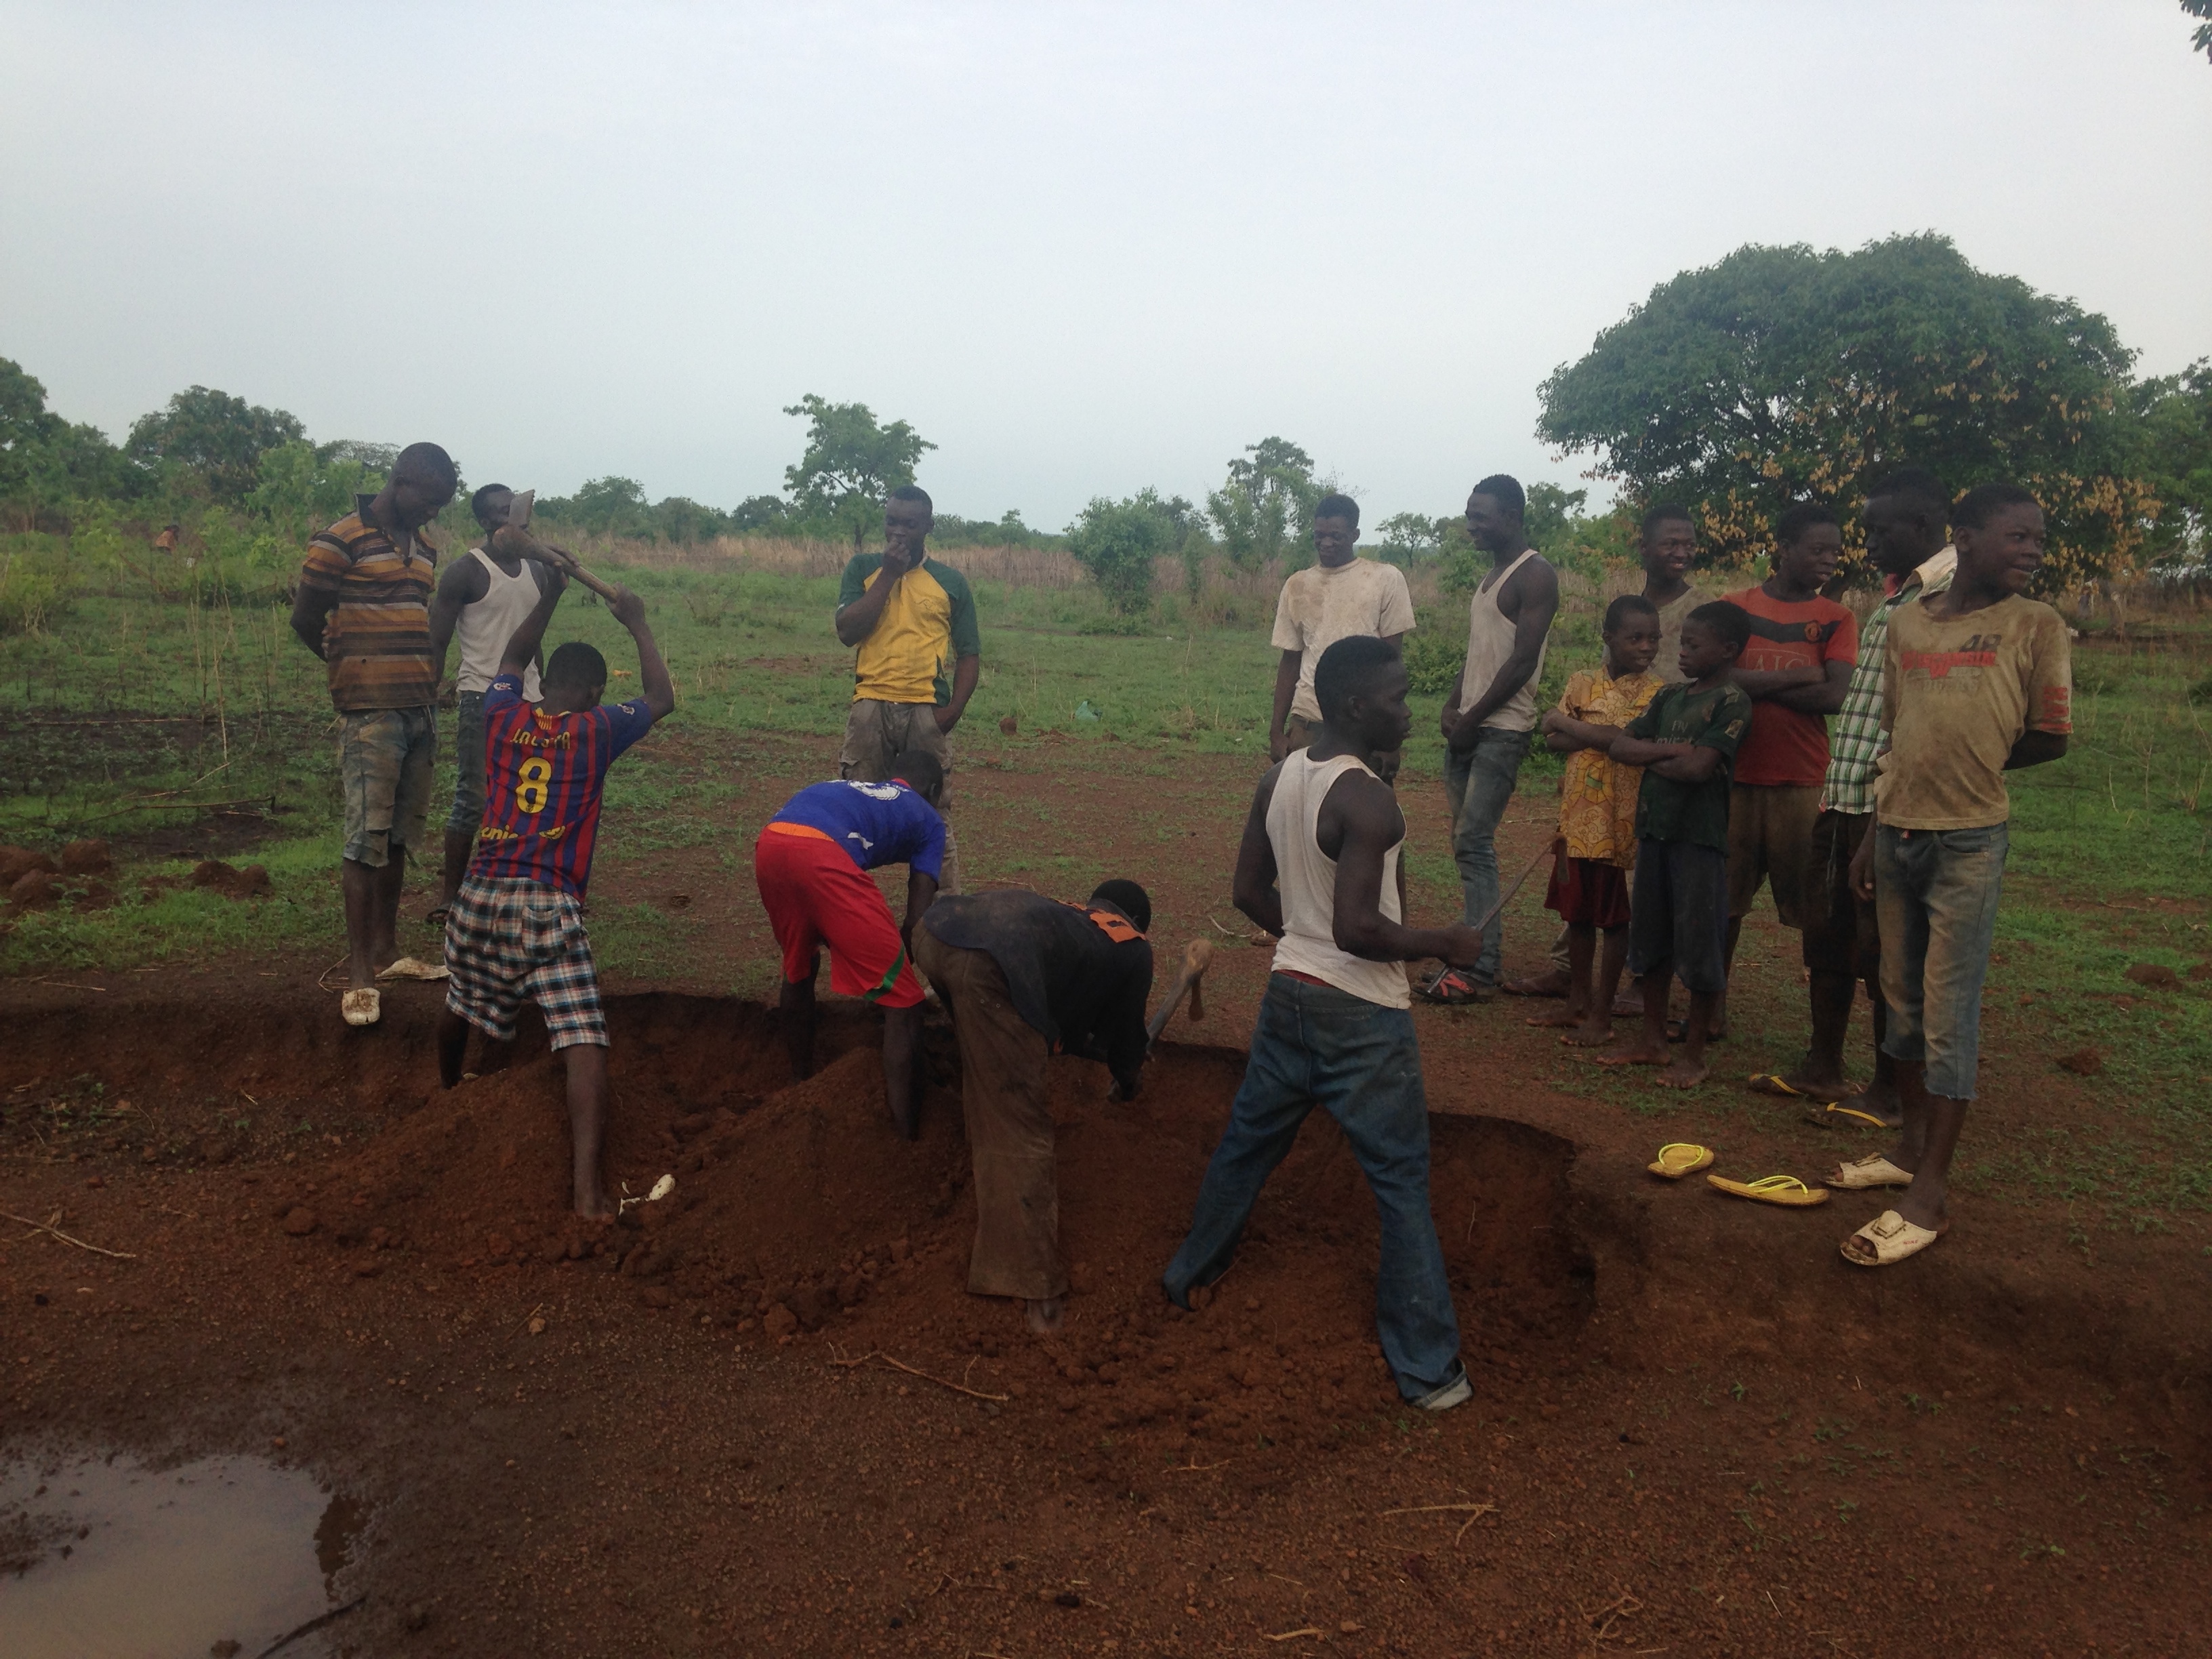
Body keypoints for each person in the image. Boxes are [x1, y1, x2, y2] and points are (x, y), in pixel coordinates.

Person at [1163, 636, 1483, 1412]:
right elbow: (1358, 932)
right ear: (1353, 705)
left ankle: (1187, 1279)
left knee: (1247, 1147)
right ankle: (1429, 1372)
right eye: (1399, 697)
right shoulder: (1367, 799)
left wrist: (1297, 938)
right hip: (1363, 1016)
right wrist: (1446, 942)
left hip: (1290, 999)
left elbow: (1246, 891)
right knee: (1401, 1182)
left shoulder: (1280, 776)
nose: (1410, 711)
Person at [1836, 483, 2069, 1266]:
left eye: (2038, 538)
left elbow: (2049, 737)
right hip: (1896, 833)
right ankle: (1905, 1151)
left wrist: (1972, 761)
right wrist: (1872, 834)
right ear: (1963, 537)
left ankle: (1929, 1195)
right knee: (1898, 1000)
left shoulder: (2034, 625)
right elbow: (1897, 736)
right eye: (2017, 536)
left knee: (1947, 1012)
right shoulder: (1905, 622)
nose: (2033, 549)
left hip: (1969, 841)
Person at [436, 539, 675, 1219]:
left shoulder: (503, 714)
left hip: (478, 894)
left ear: (547, 686)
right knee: (583, 1038)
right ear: (596, 693)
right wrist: (635, 619)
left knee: (461, 1001)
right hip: (546, 903)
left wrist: (556, 592)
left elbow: (510, 659)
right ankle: (587, 1192)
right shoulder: (599, 730)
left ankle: (447, 1101)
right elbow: (662, 697)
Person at [1764, 468, 1955, 1118]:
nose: (1865, 543)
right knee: (1829, 935)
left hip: (1889, 805)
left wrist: (1882, 811)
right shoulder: (1902, 596)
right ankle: (1823, 1066)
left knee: (1884, 952)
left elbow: (1925, 716)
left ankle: (1889, 1090)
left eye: (1880, 530)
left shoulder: (1949, 599)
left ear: (1924, 529)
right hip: (1842, 792)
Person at [916, 880, 1154, 1335]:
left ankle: (974, 1123)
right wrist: (1129, 1080)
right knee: (1021, 1127)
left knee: (989, 1048)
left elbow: (1062, 1030)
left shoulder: (1069, 918)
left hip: (936, 931)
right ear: (1138, 921)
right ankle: (1032, 1283)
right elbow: (1124, 1043)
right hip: (990, 963)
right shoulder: (1134, 948)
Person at [1504, 505, 1707, 1000]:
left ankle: (1638, 980)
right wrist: (1583, 732)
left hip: (1655, 769)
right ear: (1645, 548)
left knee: (1636, 888)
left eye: (1688, 543)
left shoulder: (1700, 610)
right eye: (1669, 543)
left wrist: (1571, 726)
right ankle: (1571, 976)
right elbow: (1584, 721)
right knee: (1585, 893)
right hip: (1590, 793)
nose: (1680, 552)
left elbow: (1621, 734)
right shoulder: (1628, 607)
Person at [290, 443, 459, 1026]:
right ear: (401, 482)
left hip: (420, 707)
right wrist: (347, 671)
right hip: (371, 712)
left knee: (396, 838)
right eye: (429, 501)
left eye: (440, 506)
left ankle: (387, 952)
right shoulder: (338, 540)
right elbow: (305, 619)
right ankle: (359, 973)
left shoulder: (427, 546)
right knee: (365, 839)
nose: (431, 515)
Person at [1595, 602, 1754, 1088]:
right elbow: (1621, 746)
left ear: (1728, 650)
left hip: (1698, 839)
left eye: (1693, 645)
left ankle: (1694, 1057)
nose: (1681, 652)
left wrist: (1655, 758)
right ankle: (1652, 1042)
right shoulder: (1670, 698)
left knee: (1701, 944)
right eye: (1681, 643)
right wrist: (1672, 751)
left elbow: (1699, 770)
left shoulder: (1732, 702)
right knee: (1653, 940)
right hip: (1655, 832)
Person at [1715, 504, 1858, 1040]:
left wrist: (1749, 681)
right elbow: (1715, 680)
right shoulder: (1732, 607)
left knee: (1817, 915)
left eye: (1835, 551)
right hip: (1733, 776)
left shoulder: (1839, 617)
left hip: (1803, 781)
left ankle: (1823, 1042)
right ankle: (1711, 1013)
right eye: (1817, 549)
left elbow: (1834, 695)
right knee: (1722, 906)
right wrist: (1802, 670)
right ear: (1784, 546)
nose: (1828, 560)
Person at [754, 756, 947, 1139]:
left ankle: (799, 1081)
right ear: (934, 793)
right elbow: (916, 918)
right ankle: (906, 1133)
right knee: (905, 1002)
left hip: (772, 843)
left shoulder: (845, 788)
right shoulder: (930, 819)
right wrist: (895, 973)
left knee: (799, 966)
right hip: (823, 856)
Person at [1422, 476, 1558, 1004]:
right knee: (1466, 844)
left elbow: (1523, 662)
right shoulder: (1492, 576)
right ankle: (1470, 952)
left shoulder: (1536, 575)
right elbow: (1482, 652)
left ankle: (1477, 969)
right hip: (1475, 725)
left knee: (1473, 843)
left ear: (1512, 516)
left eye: (1481, 515)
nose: (1471, 524)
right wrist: (1454, 704)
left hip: (1501, 731)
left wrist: (1473, 717)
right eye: (1470, 513)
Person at [1529, 595, 1662, 1046]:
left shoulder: (1658, 693)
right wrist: (1595, 737)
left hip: (1618, 825)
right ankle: (1578, 1001)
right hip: (1577, 820)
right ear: (1608, 639)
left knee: (1614, 919)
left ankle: (1603, 1014)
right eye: (1635, 638)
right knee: (1578, 915)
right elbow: (1550, 740)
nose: (1647, 647)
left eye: (1653, 639)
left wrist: (1577, 729)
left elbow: (1626, 743)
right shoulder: (1582, 682)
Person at [834, 485, 979, 893]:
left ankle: (943, 917)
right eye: (891, 521)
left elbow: (969, 654)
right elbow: (847, 632)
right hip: (870, 708)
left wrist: (952, 713)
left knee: (934, 818)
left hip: (925, 710)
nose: (898, 532)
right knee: (855, 812)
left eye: (909, 524)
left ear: (928, 527)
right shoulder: (862, 568)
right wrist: (889, 574)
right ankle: (847, 904)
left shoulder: (950, 582)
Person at [426, 483, 555, 924]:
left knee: (528, 798)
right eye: (500, 515)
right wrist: (427, 697)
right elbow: (437, 640)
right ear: (484, 522)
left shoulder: (538, 570)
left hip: (530, 698)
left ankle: (520, 887)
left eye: (516, 515)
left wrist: (545, 692)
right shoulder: (466, 571)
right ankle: (451, 896)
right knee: (474, 797)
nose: (511, 523)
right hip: (480, 696)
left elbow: (533, 635)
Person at [1267, 493, 1416, 764]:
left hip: (1364, 724)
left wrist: (1389, 742)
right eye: (1319, 535)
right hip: (1309, 721)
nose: (1326, 543)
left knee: (1361, 802)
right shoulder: (1297, 585)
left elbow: (1391, 660)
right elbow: (1290, 660)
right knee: (1302, 801)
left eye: (1336, 535)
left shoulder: (1385, 579)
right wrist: (1277, 732)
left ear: (1355, 534)